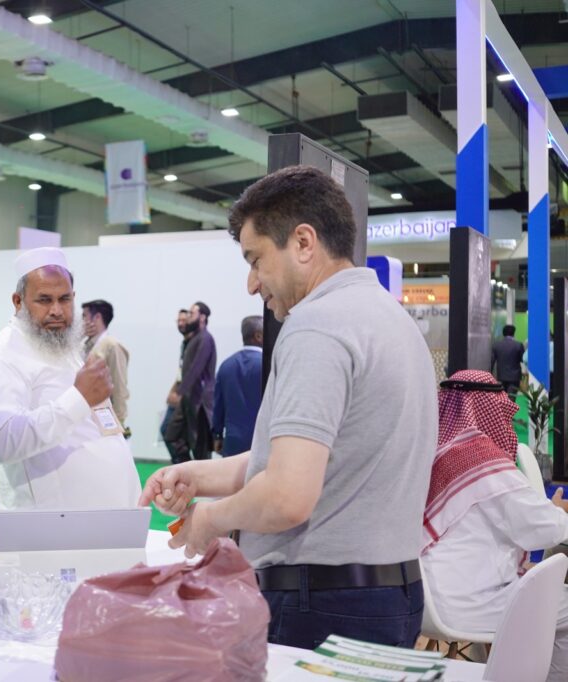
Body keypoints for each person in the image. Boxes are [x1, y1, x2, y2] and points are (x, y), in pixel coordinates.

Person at [140, 165, 437, 651]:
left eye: (256, 260)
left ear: (303, 242)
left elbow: (286, 495)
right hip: (388, 594)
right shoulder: (389, 318)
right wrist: (197, 475)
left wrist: (210, 521)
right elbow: (305, 461)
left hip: (322, 604)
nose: (251, 283)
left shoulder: (317, 325)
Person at [421, 369, 568, 681]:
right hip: (468, 602)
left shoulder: (430, 454)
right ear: (489, 408)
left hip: (422, 600)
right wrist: (558, 510)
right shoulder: (482, 461)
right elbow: (547, 529)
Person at [0, 247, 141, 510]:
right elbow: (2, 441)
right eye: (44, 300)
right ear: (18, 302)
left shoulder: (61, 344)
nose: (56, 310)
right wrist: (78, 399)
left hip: (104, 520)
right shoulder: (3, 353)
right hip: (56, 526)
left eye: (64, 299)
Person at [164, 301, 216, 463]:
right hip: (189, 397)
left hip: (200, 401)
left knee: (201, 448)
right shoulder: (194, 339)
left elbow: (196, 369)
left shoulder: (205, 339)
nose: (188, 317)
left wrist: (179, 393)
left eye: (192, 313)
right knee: (171, 434)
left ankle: (201, 476)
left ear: (202, 317)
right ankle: (186, 469)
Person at [211, 315, 263, 456]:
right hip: (261, 442)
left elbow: (218, 406)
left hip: (232, 442)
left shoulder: (226, 365)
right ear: (258, 336)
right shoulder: (268, 365)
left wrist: (217, 435)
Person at [82, 299, 130, 432]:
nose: (82, 322)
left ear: (97, 317)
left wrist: (119, 423)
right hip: (85, 417)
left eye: (84, 316)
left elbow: (119, 387)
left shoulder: (112, 346)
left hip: (104, 419)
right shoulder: (85, 345)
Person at [160, 308, 190, 456]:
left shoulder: (196, 344)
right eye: (179, 320)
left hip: (188, 398)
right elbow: (181, 373)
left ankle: (185, 465)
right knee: (168, 432)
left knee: (169, 432)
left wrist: (180, 396)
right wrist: (171, 392)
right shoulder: (184, 344)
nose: (181, 323)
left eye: (184, 320)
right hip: (179, 395)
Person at [491, 324, 525, 395]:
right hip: (514, 377)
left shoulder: (496, 345)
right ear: (513, 333)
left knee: (502, 397)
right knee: (511, 397)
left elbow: (492, 361)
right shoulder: (518, 345)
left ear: (503, 333)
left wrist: (490, 374)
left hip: (501, 376)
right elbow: (522, 359)